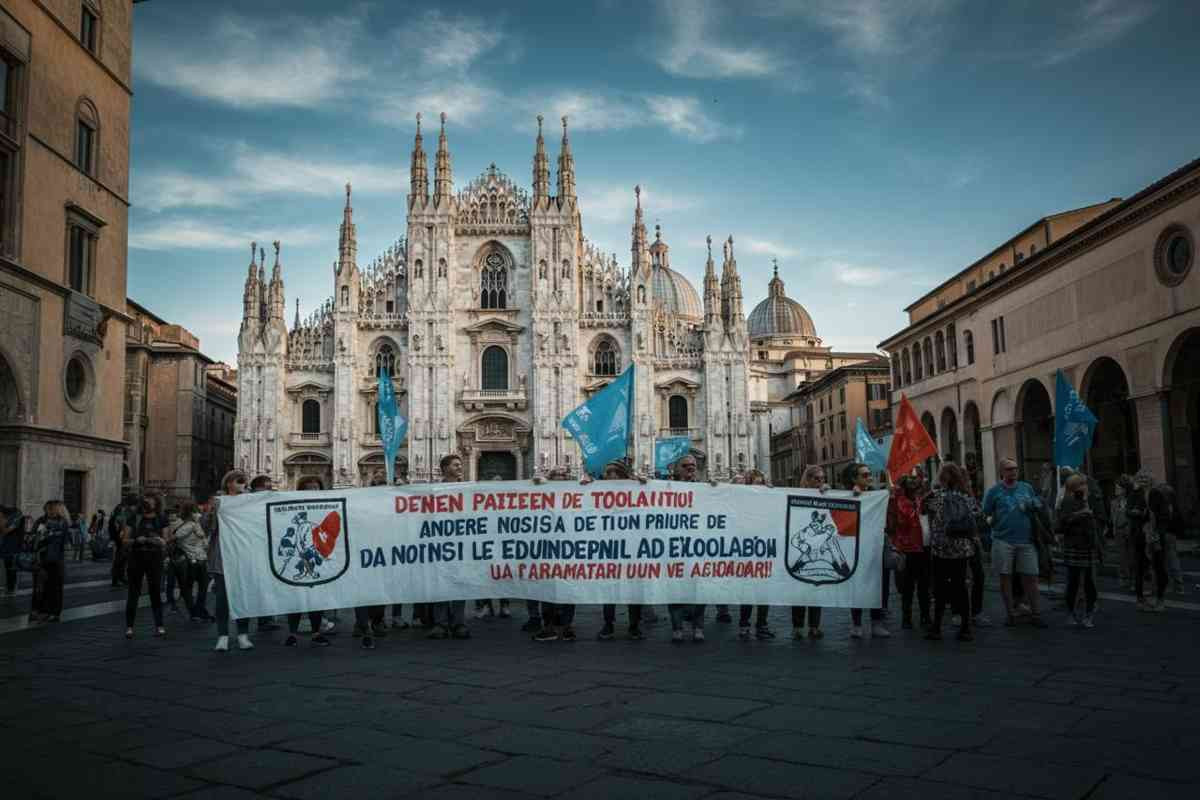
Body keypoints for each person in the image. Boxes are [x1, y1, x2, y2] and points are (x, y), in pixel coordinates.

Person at [584, 461, 648, 641]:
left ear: (624, 476)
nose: (611, 477)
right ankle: (608, 624)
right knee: (609, 588)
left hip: (633, 549)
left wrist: (646, 485)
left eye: (616, 474)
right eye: (608, 474)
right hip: (608, 549)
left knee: (634, 588)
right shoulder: (597, 491)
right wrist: (582, 488)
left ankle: (634, 625)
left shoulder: (637, 490)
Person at [982, 458, 1049, 628]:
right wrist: (992, 519)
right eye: (1009, 469)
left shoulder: (1026, 487)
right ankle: (1010, 614)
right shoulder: (994, 491)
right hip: (1003, 540)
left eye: (1015, 468)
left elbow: (1038, 504)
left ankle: (1036, 613)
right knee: (1005, 577)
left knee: (1031, 577)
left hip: (1026, 540)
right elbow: (985, 512)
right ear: (1002, 472)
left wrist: (1033, 503)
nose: (1013, 472)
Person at [923, 464, 977, 641]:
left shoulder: (936, 497)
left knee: (940, 588)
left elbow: (922, 508)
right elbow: (977, 515)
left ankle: (936, 627)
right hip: (962, 549)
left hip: (941, 549)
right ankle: (966, 627)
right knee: (961, 588)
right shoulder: (967, 497)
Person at [668, 454, 711, 643]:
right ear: (677, 469)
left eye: (693, 465)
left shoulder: (706, 488)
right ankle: (677, 628)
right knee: (674, 589)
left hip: (698, 546)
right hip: (674, 547)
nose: (690, 468)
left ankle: (698, 627)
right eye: (685, 465)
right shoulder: (665, 488)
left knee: (699, 589)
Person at [210, 470, 254, 651]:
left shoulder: (250, 503)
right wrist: (214, 511)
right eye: (239, 481)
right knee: (222, 599)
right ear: (228, 483)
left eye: (244, 482)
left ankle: (243, 634)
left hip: (243, 555)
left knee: (243, 596)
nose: (242, 484)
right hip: (222, 556)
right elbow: (207, 527)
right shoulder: (219, 502)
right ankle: (222, 635)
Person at [845, 462, 890, 639]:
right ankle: (856, 624)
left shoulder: (876, 495)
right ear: (854, 479)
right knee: (857, 585)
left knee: (878, 585)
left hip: (875, 546)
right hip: (855, 548)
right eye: (864, 475)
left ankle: (876, 623)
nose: (869, 477)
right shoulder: (847, 495)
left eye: (869, 474)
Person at [428, 453, 470, 640]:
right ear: (445, 468)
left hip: (460, 543)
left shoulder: (467, 489)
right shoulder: (434, 489)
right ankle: (440, 623)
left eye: (460, 464)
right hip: (439, 543)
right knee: (440, 584)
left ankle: (459, 623)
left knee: (459, 584)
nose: (460, 467)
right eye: (455, 465)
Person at [295, 476, 340, 636]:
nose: (312, 491)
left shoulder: (326, 504)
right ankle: (293, 631)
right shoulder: (292, 505)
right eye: (308, 488)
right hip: (301, 552)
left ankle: (317, 628)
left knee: (318, 594)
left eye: (315, 487)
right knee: (297, 594)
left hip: (319, 552)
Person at [737, 469, 776, 640]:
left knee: (764, 592)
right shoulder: (740, 501)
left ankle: (762, 624)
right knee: (747, 591)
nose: (758, 487)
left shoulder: (768, 500)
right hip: (746, 552)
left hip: (764, 551)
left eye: (761, 483)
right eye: (755, 483)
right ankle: (744, 625)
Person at [888, 475, 930, 630]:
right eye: (911, 482)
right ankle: (907, 617)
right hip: (907, 549)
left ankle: (925, 616)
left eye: (916, 481)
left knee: (924, 585)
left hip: (923, 547)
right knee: (907, 587)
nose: (915, 483)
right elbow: (903, 521)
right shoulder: (899, 502)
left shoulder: (919, 500)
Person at [1057, 473, 1099, 627]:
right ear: (1075, 487)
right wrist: (1080, 514)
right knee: (1073, 581)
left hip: (1088, 545)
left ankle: (1089, 614)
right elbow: (1060, 525)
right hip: (1074, 545)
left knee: (1090, 582)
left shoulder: (1091, 500)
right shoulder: (1067, 501)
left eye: (1085, 484)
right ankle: (1071, 613)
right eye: (1082, 484)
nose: (1085, 487)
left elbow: (1098, 518)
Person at [124, 495, 167, 638]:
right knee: (133, 593)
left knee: (155, 592)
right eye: (145, 501)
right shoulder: (134, 518)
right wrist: (136, 540)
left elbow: (166, 541)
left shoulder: (161, 519)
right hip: (136, 558)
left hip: (155, 558)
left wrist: (158, 540)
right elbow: (124, 540)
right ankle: (129, 627)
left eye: (151, 500)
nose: (147, 503)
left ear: (156, 503)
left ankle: (159, 625)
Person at [791, 465, 827, 639]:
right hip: (801, 548)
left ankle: (814, 626)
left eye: (822, 479)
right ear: (808, 479)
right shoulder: (797, 494)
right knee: (799, 590)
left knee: (816, 588)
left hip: (818, 550)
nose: (821, 482)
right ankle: (797, 627)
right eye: (817, 479)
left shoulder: (825, 495)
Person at [169, 502, 211, 622]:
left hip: (199, 559)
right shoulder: (189, 525)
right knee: (191, 586)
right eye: (196, 511)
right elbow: (174, 538)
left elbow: (203, 542)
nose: (199, 514)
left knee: (194, 586)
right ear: (192, 513)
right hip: (191, 559)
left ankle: (197, 610)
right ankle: (195, 611)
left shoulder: (194, 524)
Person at [33, 501, 70, 622]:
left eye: (52, 509)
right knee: (41, 586)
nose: (50, 511)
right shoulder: (41, 520)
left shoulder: (62, 522)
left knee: (55, 587)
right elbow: (36, 537)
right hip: (41, 558)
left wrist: (47, 535)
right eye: (48, 509)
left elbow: (63, 541)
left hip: (55, 559)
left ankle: (54, 612)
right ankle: (40, 610)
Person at [1111, 476, 1134, 590]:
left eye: (1118, 488)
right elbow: (1113, 518)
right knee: (1121, 557)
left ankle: (1133, 579)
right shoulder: (1114, 502)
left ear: (1124, 489)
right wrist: (1114, 530)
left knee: (1131, 556)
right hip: (1119, 531)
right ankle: (1124, 579)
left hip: (1129, 530)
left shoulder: (1131, 500)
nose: (1116, 490)